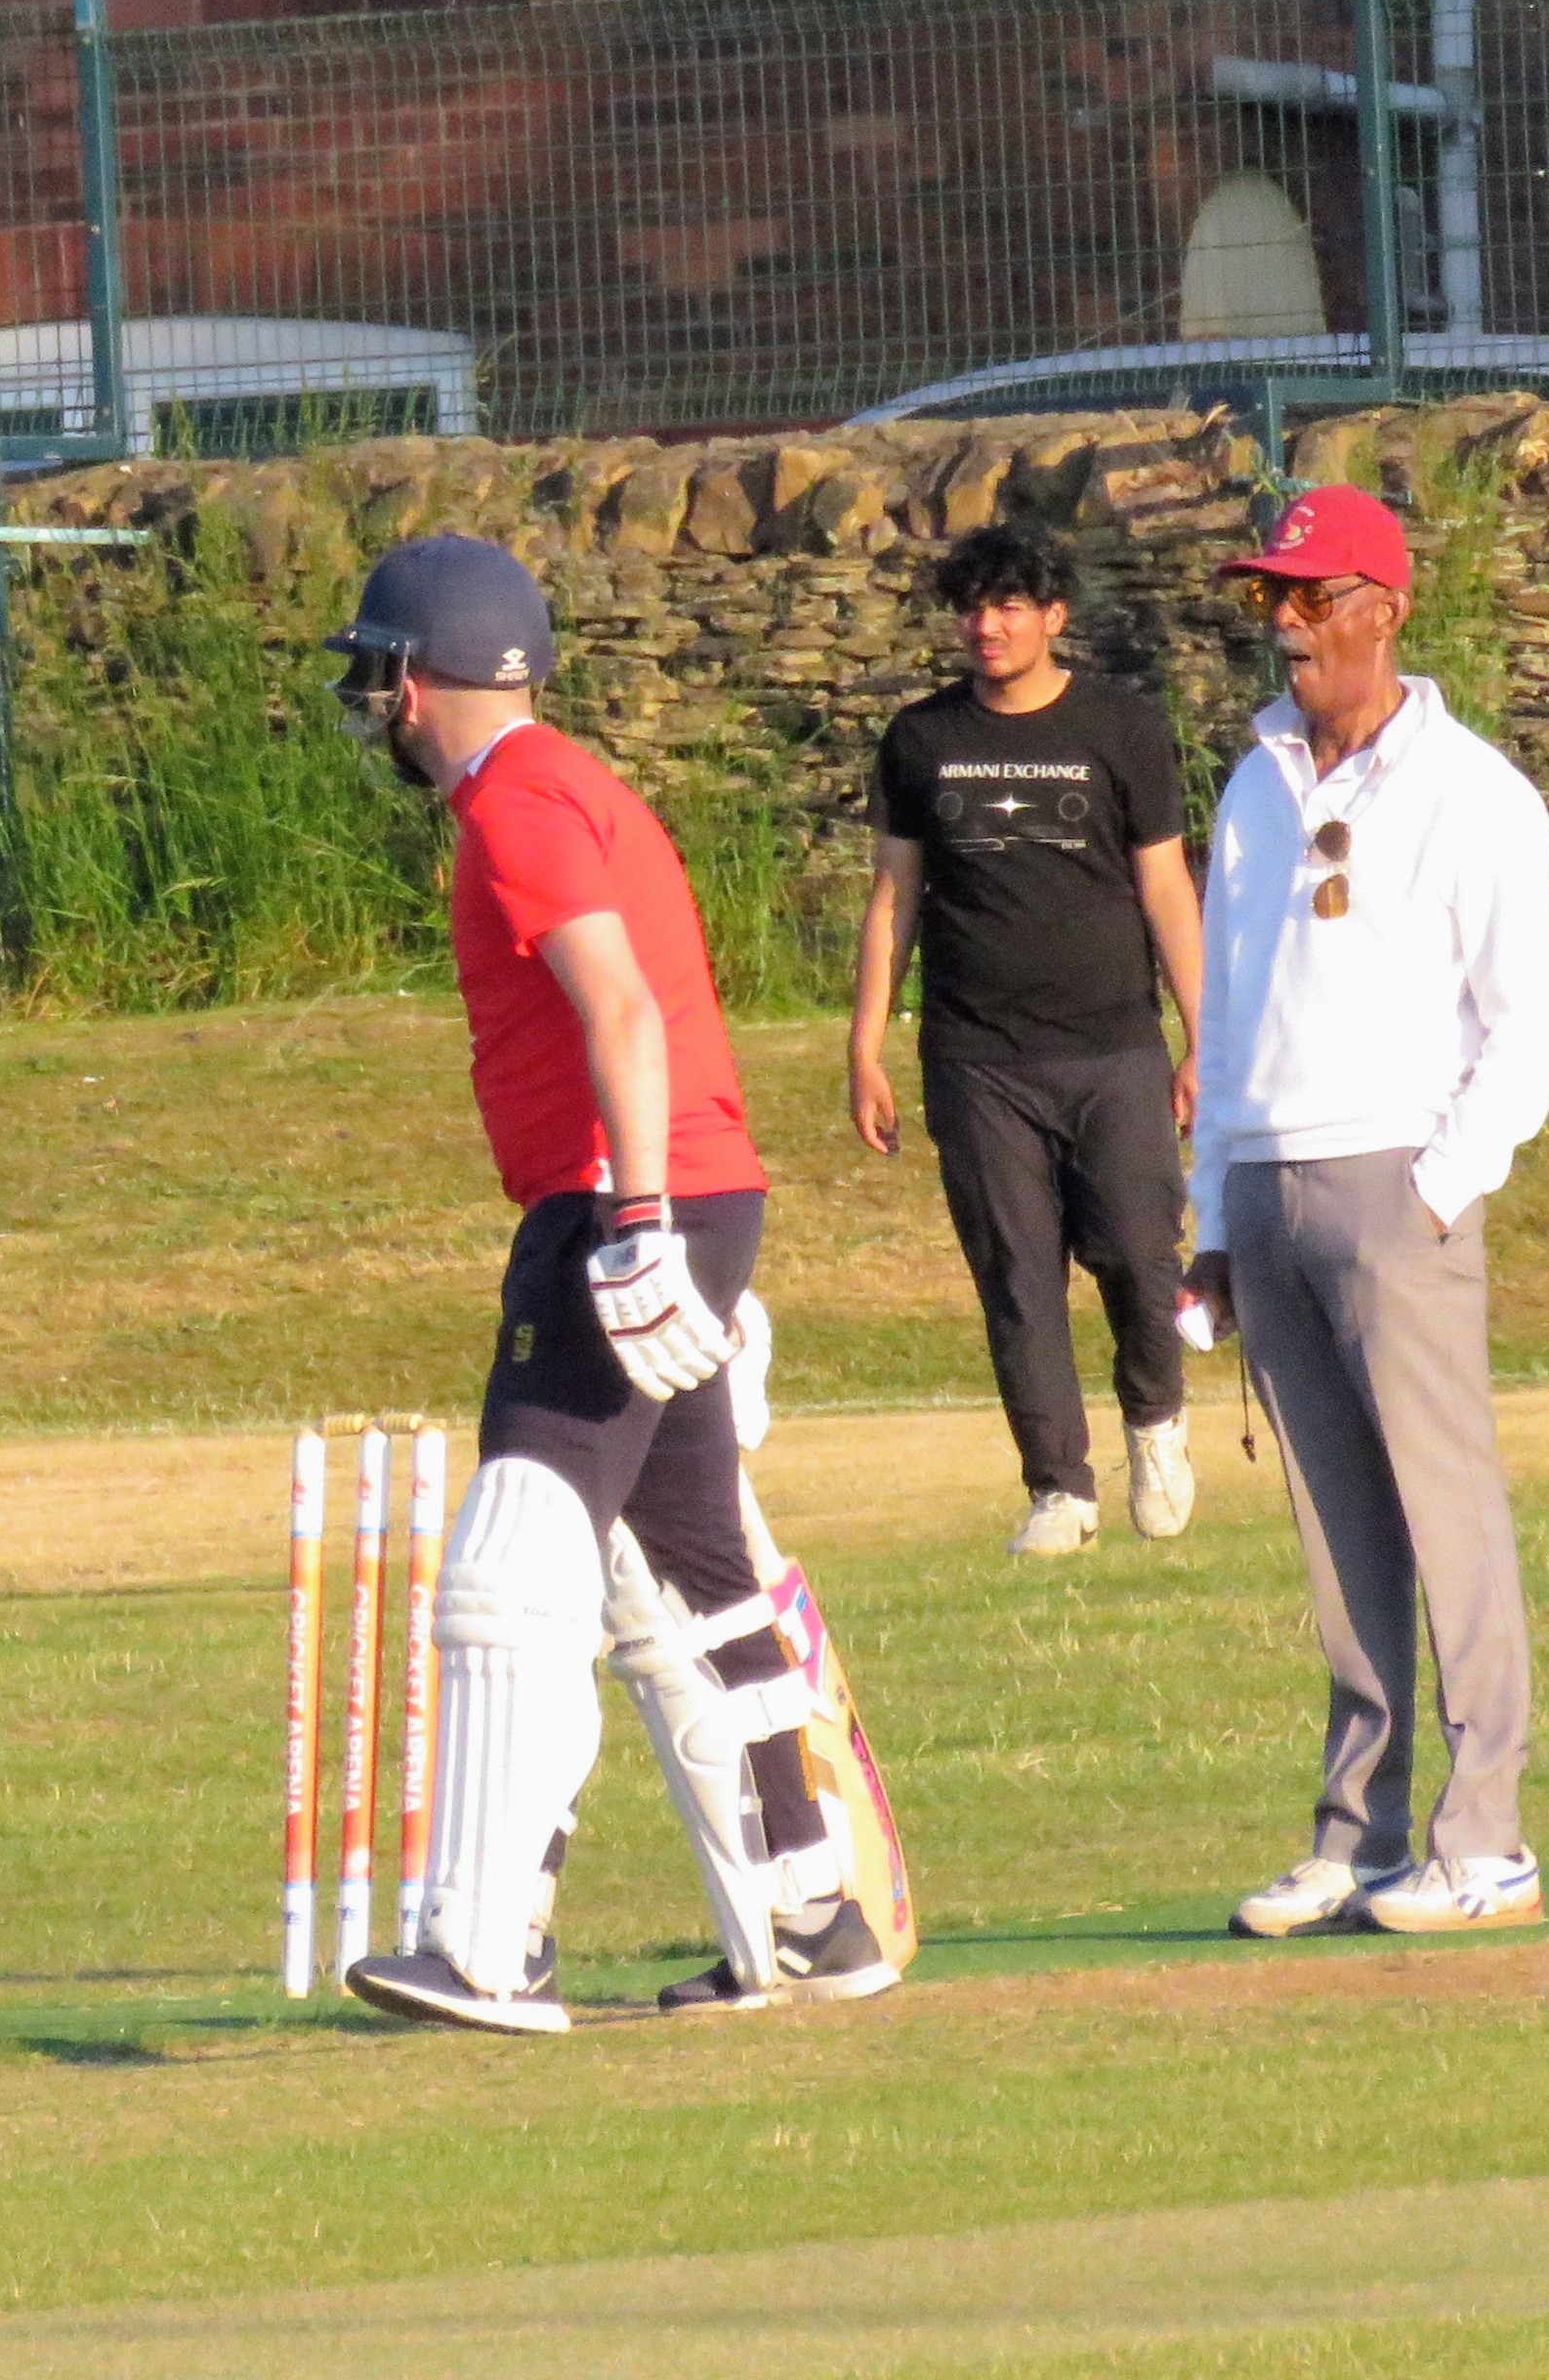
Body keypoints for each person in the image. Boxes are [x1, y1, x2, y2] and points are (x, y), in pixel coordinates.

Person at [325, 534, 900, 2031]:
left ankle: (488, 1945)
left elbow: (622, 1008)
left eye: (372, 670)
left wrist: (634, 1221)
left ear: (410, 673)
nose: (368, 699)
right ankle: (815, 1913)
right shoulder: (567, 778)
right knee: (698, 1567)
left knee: (513, 1563)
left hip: (620, 1192)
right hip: (687, 1187)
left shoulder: (513, 801)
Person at [1184, 484, 1549, 1940]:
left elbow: (1524, 1030)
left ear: (1383, 607)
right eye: (1268, 599)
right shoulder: (1249, 783)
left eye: (1306, 594)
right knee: (1335, 1524)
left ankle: (1490, 1838)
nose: (1282, 624)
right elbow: (1226, 1013)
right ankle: (1360, 1832)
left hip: (1397, 1182)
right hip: (1270, 1186)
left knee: (1441, 1511)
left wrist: (1435, 1188)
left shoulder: (1475, 792)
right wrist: (1214, 1213)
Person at [848, 523, 1209, 1558]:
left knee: (1142, 1255)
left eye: (1009, 606)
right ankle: (1060, 1488)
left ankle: (1155, 1427)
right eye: (973, 606)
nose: (987, 625)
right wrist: (864, 1047)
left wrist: (1202, 1041)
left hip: (1113, 1048)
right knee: (1018, 1274)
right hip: (975, 1058)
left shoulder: (1124, 727)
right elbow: (893, 896)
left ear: (1054, 616)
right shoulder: (921, 738)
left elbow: (1167, 890)